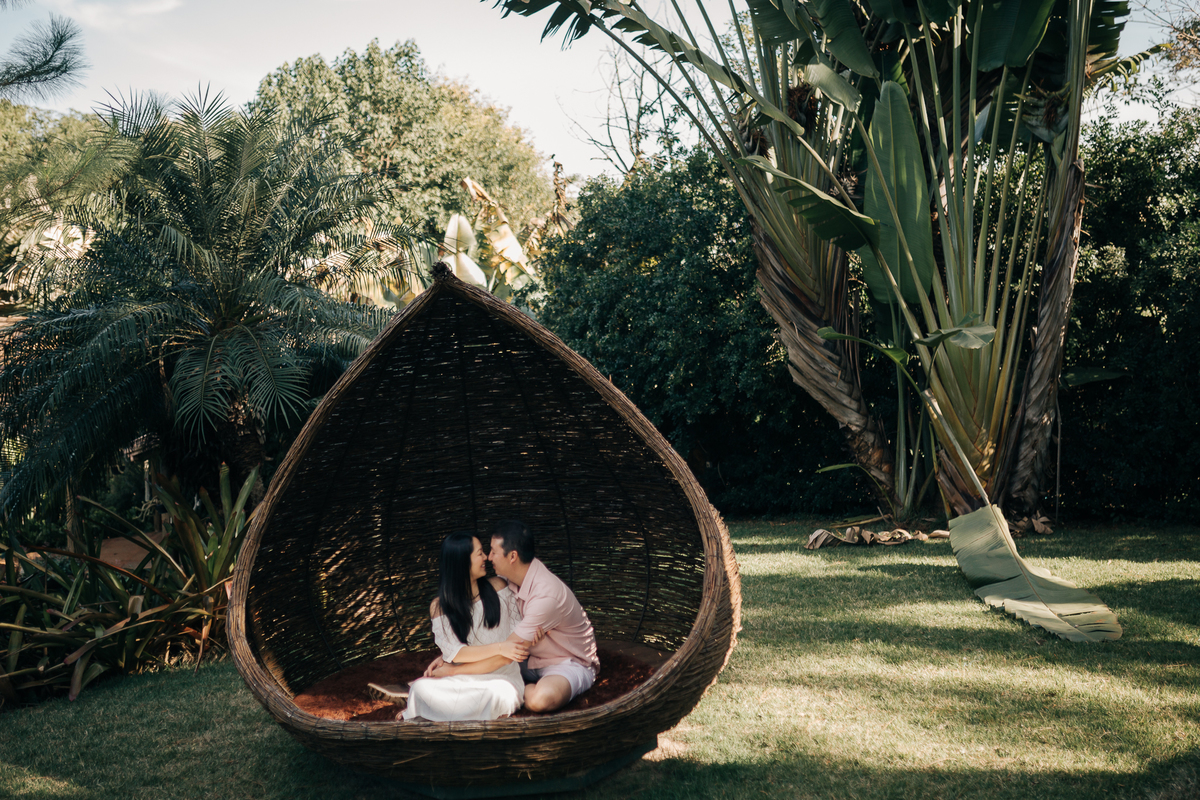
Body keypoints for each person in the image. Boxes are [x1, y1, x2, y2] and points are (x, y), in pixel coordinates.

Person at [383, 531, 534, 721]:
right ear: (462, 561)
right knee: (420, 689)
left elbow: (507, 656)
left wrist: (454, 668)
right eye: (479, 553)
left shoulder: (499, 587)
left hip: (501, 679)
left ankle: (434, 714)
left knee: (495, 696)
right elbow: (458, 653)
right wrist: (500, 648)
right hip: (463, 680)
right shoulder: (440, 607)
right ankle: (443, 712)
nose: (486, 557)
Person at [488, 519, 599, 713]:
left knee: (540, 700)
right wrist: (455, 655)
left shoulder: (546, 595)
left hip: (565, 662)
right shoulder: (510, 579)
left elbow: (507, 652)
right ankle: (513, 681)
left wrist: (455, 668)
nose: (489, 557)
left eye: (493, 551)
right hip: (528, 657)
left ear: (512, 556)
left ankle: (516, 686)